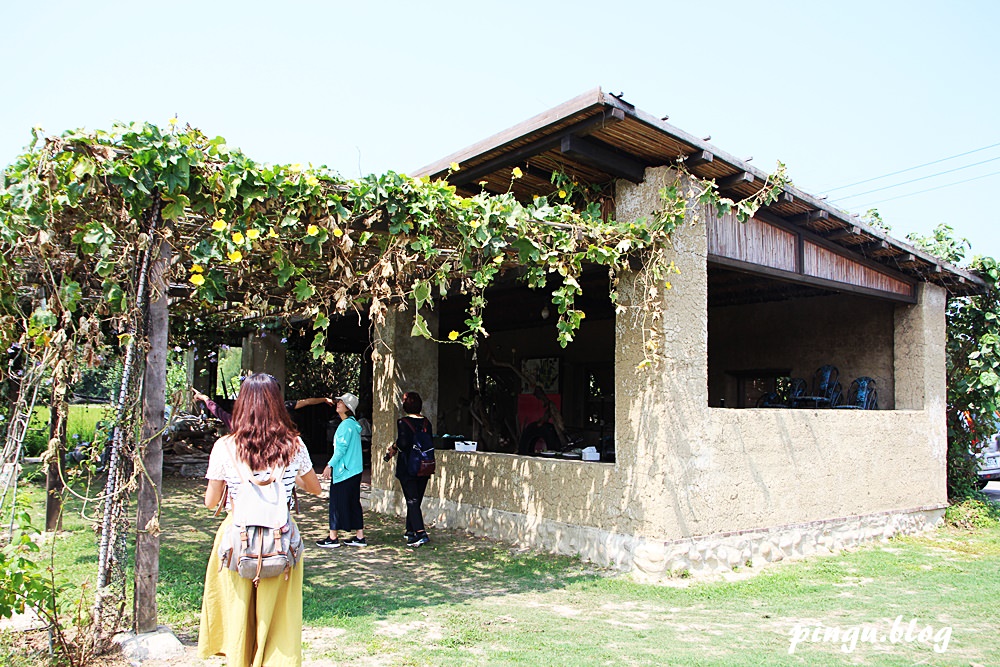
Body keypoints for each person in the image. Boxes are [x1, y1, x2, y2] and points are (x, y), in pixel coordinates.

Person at [198, 373, 322, 667]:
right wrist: (287, 480)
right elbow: (314, 488)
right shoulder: (295, 446)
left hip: (236, 537)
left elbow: (210, 502)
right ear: (278, 405)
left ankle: (240, 658)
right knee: (279, 614)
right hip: (280, 536)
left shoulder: (225, 447)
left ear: (242, 404)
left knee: (237, 609)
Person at [317, 392, 366, 548]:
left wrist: (329, 464)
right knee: (353, 502)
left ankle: (333, 537)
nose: (338, 403)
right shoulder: (353, 424)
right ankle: (359, 536)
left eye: (342, 402)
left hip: (344, 471)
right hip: (354, 470)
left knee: (337, 503)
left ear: (347, 407)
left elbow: (341, 449)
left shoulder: (345, 425)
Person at [386, 391, 432, 548]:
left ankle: (420, 533)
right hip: (424, 465)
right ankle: (410, 530)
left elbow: (404, 443)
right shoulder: (427, 423)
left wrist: (393, 446)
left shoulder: (403, 422)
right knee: (416, 499)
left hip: (408, 466)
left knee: (411, 500)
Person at [193, 386, 333, 430]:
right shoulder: (280, 410)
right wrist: (324, 399)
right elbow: (306, 402)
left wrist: (205, 398)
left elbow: (219, 412)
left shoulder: (241, 423)